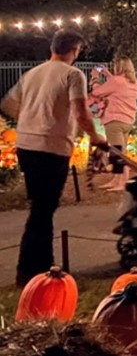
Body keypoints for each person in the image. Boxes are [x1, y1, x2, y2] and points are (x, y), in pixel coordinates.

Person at [1, 29, 107, 287]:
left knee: (41, 206)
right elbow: (81, 111)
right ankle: (32, 271)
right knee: (43, 209)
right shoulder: (73, 75)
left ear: (53, 48)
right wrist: (95, 136)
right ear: (75, 50)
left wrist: (32, 117)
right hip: (53, 146)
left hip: (27, 145)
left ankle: (42, 265)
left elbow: (8, 104)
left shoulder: (32, 74)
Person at [88, 57, 137, 191]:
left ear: (119, 67)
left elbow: (97, 92)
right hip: (127, 120)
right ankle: (117, 180)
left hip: (114, 120)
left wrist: (95, 79)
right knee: (122, 151)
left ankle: (122, 182)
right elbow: (116, 85)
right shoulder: (132, 82)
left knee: (117, 153)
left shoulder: (117, 81)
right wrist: (106, 74)